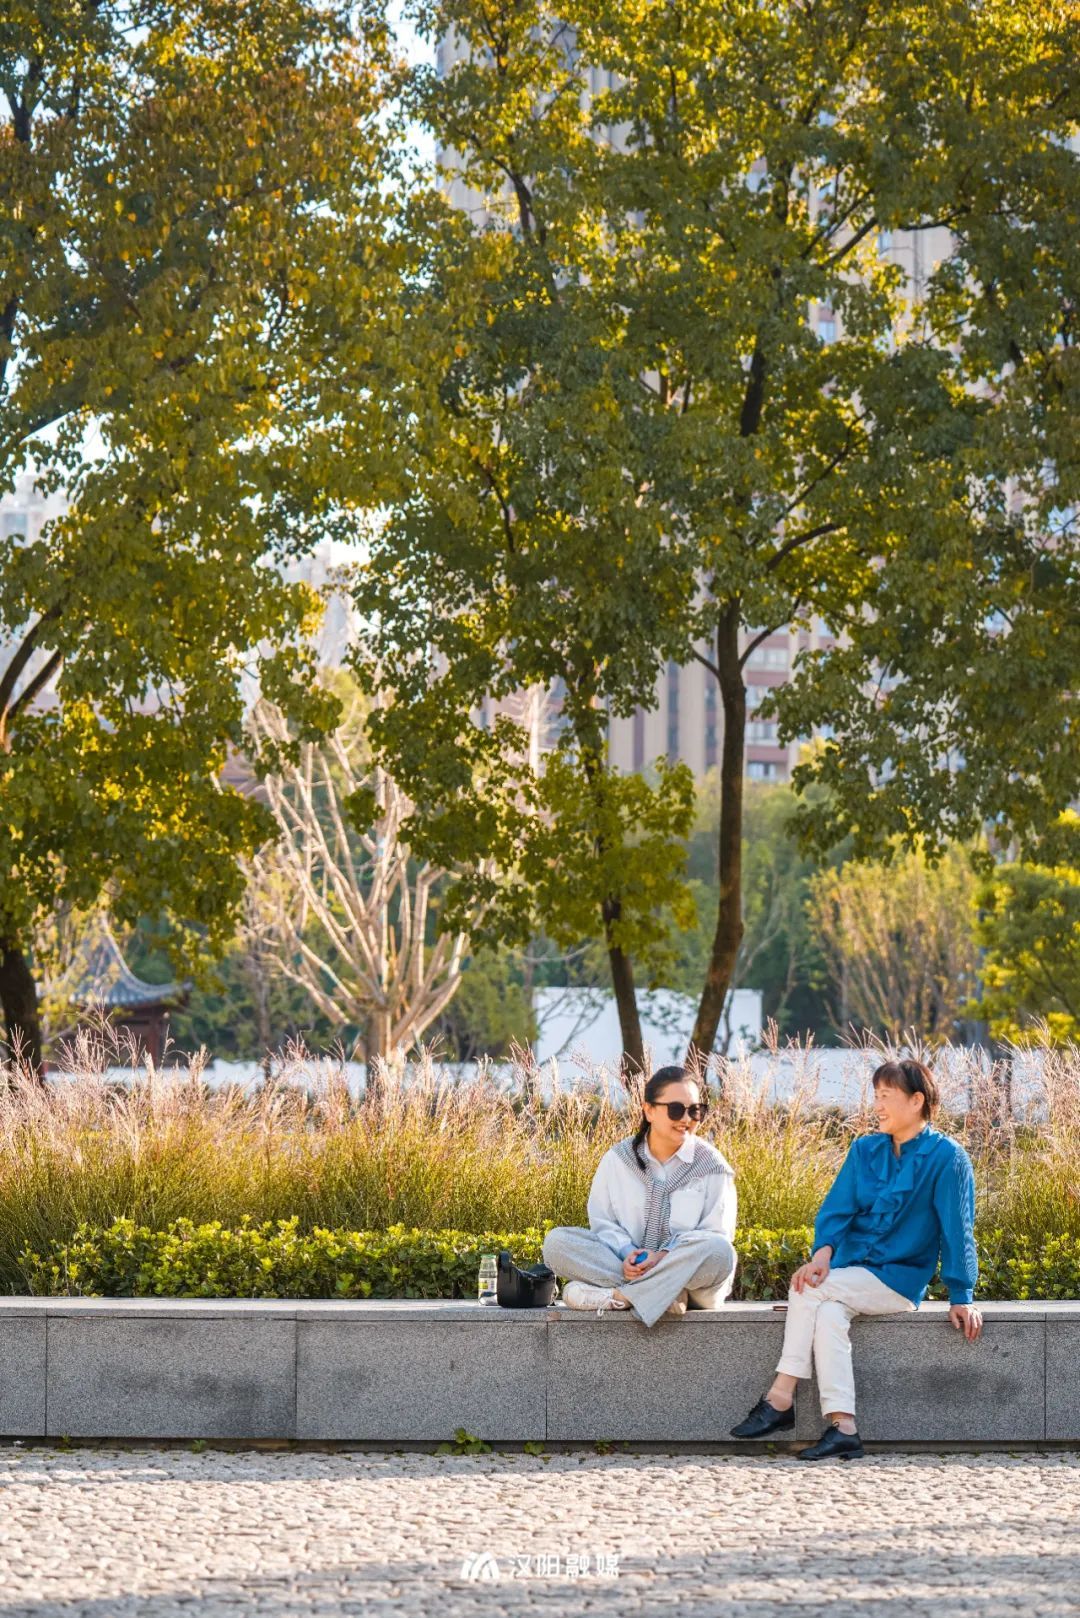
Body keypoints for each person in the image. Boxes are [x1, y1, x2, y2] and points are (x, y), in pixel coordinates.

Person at [730, 1057, 981, 1460]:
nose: (876, 1106)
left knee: (808, 1288)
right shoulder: (864, 1149)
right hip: (850, 1274)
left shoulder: (947, 1158)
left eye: (886, 1096)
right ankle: (843, 1427)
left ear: (916, 1101)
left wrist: (961, 1294)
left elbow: (958, 1228)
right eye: (875, 1095)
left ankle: (779, 1397)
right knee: (828, 1313)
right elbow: (837, 1210)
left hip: (898, 1279)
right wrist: (822, 1255)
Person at [543, 1065, 737, 1326]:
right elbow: (603, 1223)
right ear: (649, 1110)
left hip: (693, 1284)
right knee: (556, 1243)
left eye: (695, 1110)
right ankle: (664, 1295)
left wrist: (664, 1256)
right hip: (629, 1269)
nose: (687, 1119)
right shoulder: (618, 1160)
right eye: (676, 1109)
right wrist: (628, 1254)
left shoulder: (712, 1166)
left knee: (720, 1251)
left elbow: (715, 1234)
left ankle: (621, 1297)